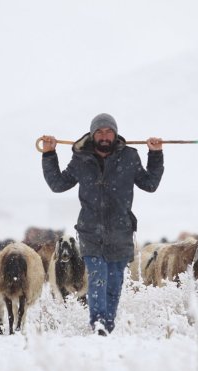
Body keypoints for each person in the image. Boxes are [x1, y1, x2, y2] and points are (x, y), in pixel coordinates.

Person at [40, 113, 163, 335]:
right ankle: (98, 326)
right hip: (90, 231)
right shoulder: (81, 159)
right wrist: (49, 154)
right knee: (97, 279)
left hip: (121, 230)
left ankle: (108, 325)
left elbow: (150, 184)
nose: (104, 136)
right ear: (92, 134)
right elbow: (58, 184)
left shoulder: (129, 157)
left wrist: (155, 155)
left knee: (114, 285)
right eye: (99, 132)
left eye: (109, 131)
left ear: (115, 134)